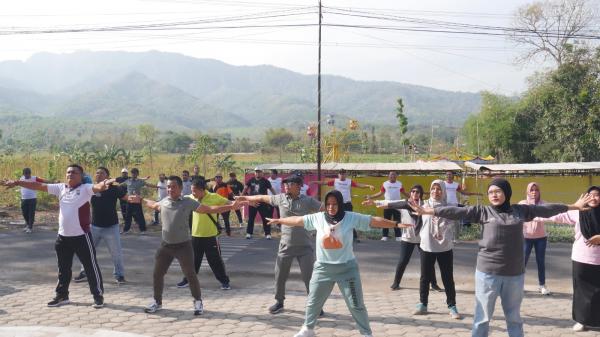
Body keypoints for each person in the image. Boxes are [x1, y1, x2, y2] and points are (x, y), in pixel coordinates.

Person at [410, 178, 592, 337]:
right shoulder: (483, 212)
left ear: (506, 192)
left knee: (513, 318)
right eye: (490, 192)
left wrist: (573, 206)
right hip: (487, 274)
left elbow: (545, 209)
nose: (494, 195)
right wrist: (429, 212)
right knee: (482, 318)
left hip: (514, 275)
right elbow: (458, 212)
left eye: (498, 191)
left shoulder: (520, 211)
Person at [267, 190, 413, 337]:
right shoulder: (318, 218)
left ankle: (366, 333)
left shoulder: (350, 218)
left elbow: (373, 220)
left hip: (347, 269)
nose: (331, 207)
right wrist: (280, 221)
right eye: (328, 204)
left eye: (334, 204)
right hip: (323, 269)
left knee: (356, 305)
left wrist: (396, 224)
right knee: (313, 302)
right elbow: (299, 220)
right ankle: (308, 329)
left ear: (340, 204)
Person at [2, 164, 117, 308]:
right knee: (63, 269)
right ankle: (62, 296)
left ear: (81, 176)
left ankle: (97, 296)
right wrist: (18, 182)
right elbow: (39, 185)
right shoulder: (61, 188)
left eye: (74, 172)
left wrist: (105, 183)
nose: (70, 174)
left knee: (90, 267)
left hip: (81, 236)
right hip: (63, 237)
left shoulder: (86, 189)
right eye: (68, 172)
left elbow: (99, 187)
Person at [141, 175, 242, 315]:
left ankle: (198, 302)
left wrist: (231, 206)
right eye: (168, 186)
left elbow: (210, 209)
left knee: (191, 274)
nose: (170, 189)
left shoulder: (188, 202)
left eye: (174, 187)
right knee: (157, 274)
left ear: (181, 188)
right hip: (166, 246)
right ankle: (157, 302)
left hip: (183, 246)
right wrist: (141, 200)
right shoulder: (164, 201)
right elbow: (153, 205)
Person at [236, 174, 322, 315]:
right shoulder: (280, 198)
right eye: (285, 184)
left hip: (305, 247)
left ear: (299, 186)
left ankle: (316, 305)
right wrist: (244, 198)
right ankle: (279, 302)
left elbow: (325, 210)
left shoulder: (308, 201)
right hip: (285, 246)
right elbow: (262, 197)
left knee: (310, 278)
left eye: (290, 183)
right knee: (280, 275)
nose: (286, 186)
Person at [536, 186, 600, 332]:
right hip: (581, 258)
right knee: (581, 292)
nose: (594, 198)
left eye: (597, 195)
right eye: (590, 195)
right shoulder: (577, 212)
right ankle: (582, 321)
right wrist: (533, 213)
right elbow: (557, 215)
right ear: (585, 197)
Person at [362, 184, 441, 291]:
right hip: (407, 238)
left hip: (422, 239)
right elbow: (390, 203)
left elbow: (439, 208)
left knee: (427, 262)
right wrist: (374, 202)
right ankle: (396, 283)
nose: (415, 193)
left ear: (421, 194)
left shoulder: (425, 205)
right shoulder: (405, 205)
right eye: (413, 191)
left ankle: (434, 284)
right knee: (403, 261)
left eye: (417, 192)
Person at [176, 179, 236, 290]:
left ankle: (224, 282)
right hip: (195, 235)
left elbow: (229, 203)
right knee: (193, 261)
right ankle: (187, 280)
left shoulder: (214, 197)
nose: (192, 193)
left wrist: (240, 203)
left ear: (202, 190)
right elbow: (175, 201)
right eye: (191, 191)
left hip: (211, 236)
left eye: (194, 191)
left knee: (215, 261)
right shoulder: (190, 198)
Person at [73, 167, 128, 284]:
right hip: (94, 227)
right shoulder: (91, 188)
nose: (98, 174)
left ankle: (119, 275)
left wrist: (135, 199)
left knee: (116, 253)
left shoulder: (115, 189)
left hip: (111, 227)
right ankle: (85, 273)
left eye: (101, 173)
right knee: (87, 252)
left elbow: (126, 198)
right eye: (97, 172)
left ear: (107, 176)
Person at [312, 168, 375, 242]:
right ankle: (334, 236)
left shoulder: (349, 181)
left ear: (345, 174)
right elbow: (324, 182)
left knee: (351, 219)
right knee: (336, 220)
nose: (342, 175)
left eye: (343, 173)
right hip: (338, 204)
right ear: (338, 175)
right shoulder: (335, 181)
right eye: (340, 174)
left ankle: (354, 237)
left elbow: (359, 185)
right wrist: (314, 182)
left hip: (347, 204)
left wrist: (368, 186)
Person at [518, 182, 551, 295]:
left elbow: (549, 216)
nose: (534, 192)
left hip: (541, 237)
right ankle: (518, 285)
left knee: (540, 261)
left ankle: (542, 285)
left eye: (536, 190)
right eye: (531, 190)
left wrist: (539, 216)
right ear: (527, 191)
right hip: (526, 238)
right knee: (523, 262)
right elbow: (518, 217)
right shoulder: (522, 204)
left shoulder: (543, 204)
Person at [366, 171, 409, 241]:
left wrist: (412, 197)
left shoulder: (399, 184)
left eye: (394, 175)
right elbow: (380, 193)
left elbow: (404, 193)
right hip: (387, 205)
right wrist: (371, 197)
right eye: (391, 175)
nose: (393, 176)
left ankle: (398, 236)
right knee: (386, 220)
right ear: (388, 176)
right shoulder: (385, 184)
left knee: (397, 220)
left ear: (396, 176)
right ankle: (385, 236)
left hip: (397, 204)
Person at [443, 171, 480, 242]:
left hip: (454, 204)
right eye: (447, 175)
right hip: (445, 204)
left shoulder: (456, 185)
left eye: (450, 174)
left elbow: (464, 192)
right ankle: (446, 238)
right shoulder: (443, 184)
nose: (448, 176)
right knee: (445, 222)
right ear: (445, 176)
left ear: (453, 176)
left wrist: (474, 193)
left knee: (456, 222)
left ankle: (456, 238)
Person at [121, 168, 159, 234]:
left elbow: (148, 185)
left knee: (140, 216)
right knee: (128, 216)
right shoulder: (128, 181)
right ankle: (126, 230)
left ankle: (143, 230)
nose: (133, 174)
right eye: (132, 173)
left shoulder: (140, 181)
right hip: (129, 201)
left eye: (135, 173)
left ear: (137, 174)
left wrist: (157, 186)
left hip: (137, 201)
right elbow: (120, 185)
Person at [242, 168, 276, 239]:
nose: (258, 173)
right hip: (253, 202)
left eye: (259, 172)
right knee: (251, 218)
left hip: (263, 202)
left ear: (262, 173)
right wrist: (241, 197)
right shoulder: (251, 180)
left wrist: (276, 197)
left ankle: (267, 234)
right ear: (254, 173)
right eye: (256, 172)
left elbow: (271, 189)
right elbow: (245, 189)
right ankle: (249, 233)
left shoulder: (265, 181)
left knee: (265, 218)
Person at [19, 167, 47, 234]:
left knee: (31, 213)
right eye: (26, 174)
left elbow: (43, 181)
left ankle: (30, 227)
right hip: (24, 199)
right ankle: (28, 225)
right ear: (23, 174)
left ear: (30, 174)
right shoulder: (21, 179)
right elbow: (15, 183)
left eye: (28, 174)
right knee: (24, 213)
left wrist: (53, 182)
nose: (27, 175)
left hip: (32, 199)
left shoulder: (34, 178)